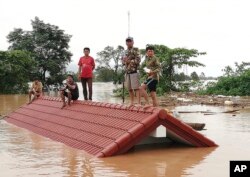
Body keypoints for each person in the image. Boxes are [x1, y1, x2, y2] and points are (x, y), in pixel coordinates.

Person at [122, 37, 141, 106]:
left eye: (130, 41)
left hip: (134, 71)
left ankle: (138, 103)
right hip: (127, 71)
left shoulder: (136, 49)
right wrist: (124, 61)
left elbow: (138, 60)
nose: (128, 43)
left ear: (133, 42)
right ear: (126, 43)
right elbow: (122, 62)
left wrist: (129, 61)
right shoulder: (124, 52)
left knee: (136, 88)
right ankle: (132, 102)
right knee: (129, 88)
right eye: (127, 41)